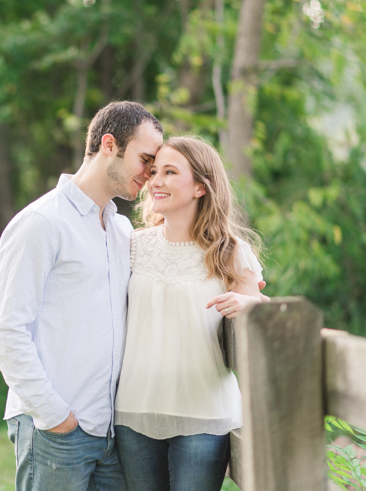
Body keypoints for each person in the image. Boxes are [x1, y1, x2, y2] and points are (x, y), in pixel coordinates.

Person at [0, 101, 164, 491]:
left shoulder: (120, 232)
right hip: (55, 430)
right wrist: (55, 417)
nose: (151, 175)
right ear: (109, 145)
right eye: (145, 159)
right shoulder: (41, 223)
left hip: (111, 434)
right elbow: (6, 329)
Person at [113, 135, 264, 491]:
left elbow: (265, 316)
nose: (155, 181)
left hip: (204, 416)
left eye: (169, 172)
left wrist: (252, 306)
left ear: (200, 187)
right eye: (154, 172)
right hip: (135, 411)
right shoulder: (132, 246)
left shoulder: (231, 252)